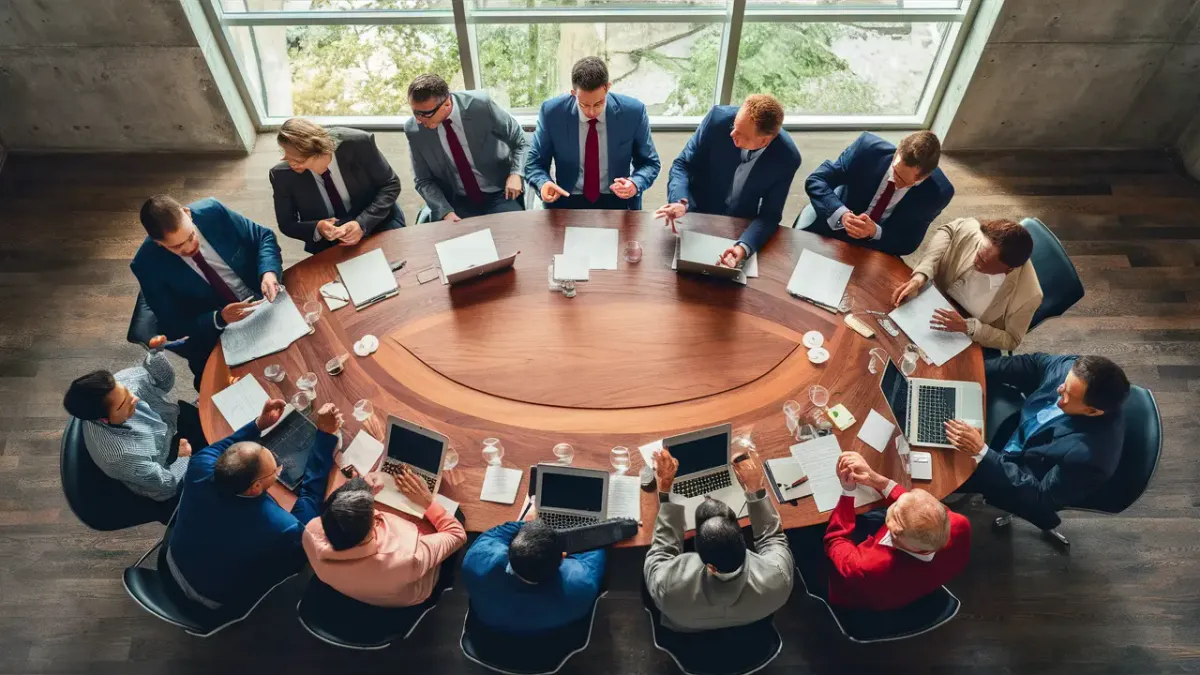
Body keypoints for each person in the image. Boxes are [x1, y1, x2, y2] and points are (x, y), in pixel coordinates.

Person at [164, 400, 342, 610]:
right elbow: (310, 497)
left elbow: (227, 448)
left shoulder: (200, 465)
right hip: (211, 600)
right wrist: (324, 436)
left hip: (172, 562)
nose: (278, 470)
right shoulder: (281, 526)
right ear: (255, 487)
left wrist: (259, 424)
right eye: (275, 471)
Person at [945, 354, 1130, 531]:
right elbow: (1032, 364)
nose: (1059, 390)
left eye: (1068, 395)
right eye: (1064, 384)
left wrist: (982, 452)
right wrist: (973, 370)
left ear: (1092, 411)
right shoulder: (1074, 370)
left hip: (1019, 471)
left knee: (940, 470)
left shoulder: (1089, 458)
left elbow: (1041, 499)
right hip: (1015, 428)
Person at [130, 195, 283, 387]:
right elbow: (173, 324)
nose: (189, 247)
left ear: (188, 214)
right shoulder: (146, 265)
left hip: (265, 299)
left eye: (191, 235)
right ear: (158, 243)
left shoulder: (212, 211)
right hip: (219, 333)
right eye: (177, 246)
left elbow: (263, 237)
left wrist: (268, 273)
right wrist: (219, 318)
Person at [644, 447, 793, 632]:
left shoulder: (667, 585)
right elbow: (773, 538)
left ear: (709, 565)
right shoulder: (779, 577)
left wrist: (665, 491)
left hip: (688, 638)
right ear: (744, 542)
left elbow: (661, 552)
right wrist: (756, 489)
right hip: (752, 629)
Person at [61, 336, 207, 510]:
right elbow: (167, 484)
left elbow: (163, 384)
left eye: (125, 392)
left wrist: (156, 354)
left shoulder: (121, 385)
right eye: (124, 403)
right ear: (104, 419)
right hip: (166, 467)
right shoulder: (121, 457)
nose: (135, 398)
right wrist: (181, 457)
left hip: (169, 429)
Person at [657, 94, 801, 268]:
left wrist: (744, 247)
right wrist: (680, 201)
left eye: (741, 134)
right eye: (734, 126)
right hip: (697, 215)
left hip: (739, 227)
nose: (732, 133)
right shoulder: (717, 119)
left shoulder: (787, 159)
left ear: (765, 140)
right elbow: (683, 165)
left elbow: (770, 215)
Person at [823, 451, 970, 611]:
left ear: (895, 533)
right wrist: (875, 479)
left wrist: (848, 492)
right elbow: (915, 508)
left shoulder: (865, 566)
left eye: (893, 512)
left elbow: (835, 540)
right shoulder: (958, 523)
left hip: (863, 600)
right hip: (921, 584)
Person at [302, 469, 466, 608]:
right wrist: (428, 502)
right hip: (404, 596)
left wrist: (362, 492)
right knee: (455, 516)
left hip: (352, 588)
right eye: (374, 512)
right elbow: (457, 534)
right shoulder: (408, 557)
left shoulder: (311, 530)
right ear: (374, 526)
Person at [525, 56, 660, 211]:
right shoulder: (552, 113)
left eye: (598, 103)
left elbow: (650, 163)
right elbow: (534, 164)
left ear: (607, 87)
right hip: (567, 201)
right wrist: (543, 183)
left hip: (617, 202)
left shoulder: (633, 112)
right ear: (573, 93)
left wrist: (635, 183)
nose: (591, 112)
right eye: (583, 104)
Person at [892, 218, 1041, 351]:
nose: (975, 260)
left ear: (1008, 269)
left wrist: (969, 327)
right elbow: (949, 230)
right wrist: (921, 274)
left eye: (982, 261)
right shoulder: (977, 235)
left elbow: (1012, 340)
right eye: (978, 252)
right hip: (934, 299)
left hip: (968, 334)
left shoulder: (1030, 295)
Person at [800, 131, 954, 256]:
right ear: (897, 152)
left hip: (878, 245)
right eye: (895, 173)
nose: (896, 183)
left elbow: (909, 242)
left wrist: (874, 231)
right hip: (835, 226)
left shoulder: (938, 193)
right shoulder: (866, 149)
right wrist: (842, 214)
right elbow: (817, 180)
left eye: (906, 183)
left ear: (925, 176)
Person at [404, 73, 529, 222]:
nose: (418, 120)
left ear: (447, 104)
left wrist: (516, 173)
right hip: (458, 200)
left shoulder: (481, 106)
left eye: (425, 113)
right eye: (415, 112)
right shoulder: (414, 130)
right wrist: (444, 211)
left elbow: (520, 140)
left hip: (499, 192)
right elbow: (422, 180)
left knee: (511, 236)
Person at [270, 118, 404, 254]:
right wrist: (318, 227)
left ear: (318, 149)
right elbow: (287, 224)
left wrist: (361, 223)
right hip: (330, 242)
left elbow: (390, 184)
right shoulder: (282, 175)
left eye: (298, 160)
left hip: (376, 221)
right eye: (285, 154)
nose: (290, 163)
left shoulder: (359, 143)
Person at [462, 518, 605, 634]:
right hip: (549, 643)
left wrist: (531, 526)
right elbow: (596, 543)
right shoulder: (580, 585)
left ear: (509, 551)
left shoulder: (476, 560)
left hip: (489, 632)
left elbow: (499, 532)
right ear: (563, 558)